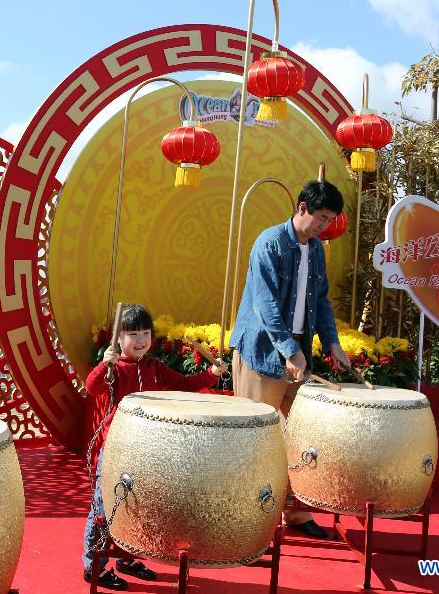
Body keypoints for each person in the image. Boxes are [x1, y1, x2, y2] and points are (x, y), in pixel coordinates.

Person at [229, 179, 352, 539]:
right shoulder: (269, 243)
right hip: (262, 351)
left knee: (302, 438)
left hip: (296, 352)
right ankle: (246, 520)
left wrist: (332, 344)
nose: (324, 226)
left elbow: (322, 301)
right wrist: (290, 350)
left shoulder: (316, 250)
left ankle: (295, 515)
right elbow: (265, 306)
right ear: (302, 209)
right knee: (255, 440)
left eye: (330, 220)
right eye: (322, 218)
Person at [82, 303, 227, 590]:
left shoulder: (154, 366)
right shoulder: (113, 370)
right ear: (118, 338)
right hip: (116, 450)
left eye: (145, 333)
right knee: (105, 508)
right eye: (132, 333)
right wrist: (104, 363)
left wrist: (211, 373)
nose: (140, 340)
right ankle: (94, 566)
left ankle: (127, 558)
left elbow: (184, 383)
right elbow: (91, 387)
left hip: (145, 450)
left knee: (138, 507)